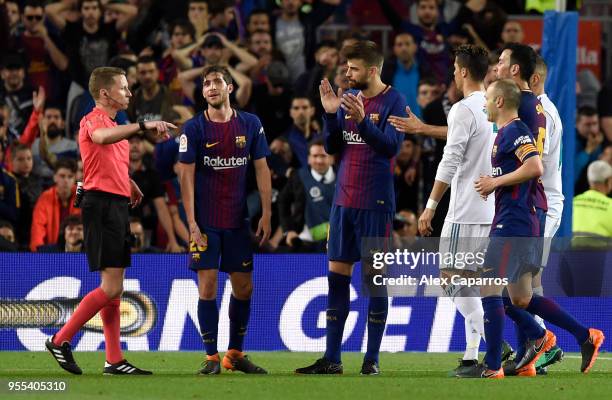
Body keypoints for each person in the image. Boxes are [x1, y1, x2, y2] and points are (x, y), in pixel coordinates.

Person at [460, 79, 604, 378]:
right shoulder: (503, 133)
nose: (484, 103)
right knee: (520, 299)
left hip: (514, 223)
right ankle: (583, 336)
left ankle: (493, 365)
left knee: (488, 289)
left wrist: (494, 182)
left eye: (487, 98)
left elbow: (535, 166)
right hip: (520, 222)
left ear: (500, 101)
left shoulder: (515, 130)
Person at [45, 66, 175, 376]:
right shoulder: (93, 120)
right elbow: (101, 139)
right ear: (106, 93)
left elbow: (106, 157)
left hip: (114, 204)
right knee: (112, 287)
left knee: (114, 288)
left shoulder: (117, 125)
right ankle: (61, 339)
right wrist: (143, 125)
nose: (130, 93)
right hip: (101, 206)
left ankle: (114, 359)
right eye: (124, 88)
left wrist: (127, 180)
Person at [295, 40, 406, 375]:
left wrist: (363, 121)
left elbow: (390, 148)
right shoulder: (346, 100)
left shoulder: (394, 101)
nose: (347, 73)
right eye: (346, 67)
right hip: (343, 202)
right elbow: (332, 147)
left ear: (372, 70)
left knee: (374, 280)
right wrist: (331, 115)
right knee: (336, 278)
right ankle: (332, 358)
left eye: (353, 68)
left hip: (376, 203)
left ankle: (371, 359)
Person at [177, 64, 272, 375]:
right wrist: (191, 223)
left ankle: (234, 354)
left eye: (217, 81)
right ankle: (211, 357)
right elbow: (186, 177)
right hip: (205, 222)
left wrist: (267, 212)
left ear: (230, 88)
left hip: (237, 221)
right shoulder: (193, 129)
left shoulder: (250, 124)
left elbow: (261, 168)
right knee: (207, 287)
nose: (211, 87)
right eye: (206, 84)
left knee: (244, 288)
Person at [410, 45, 499, 374]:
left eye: (454, 69)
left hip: (464, 210)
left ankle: (495, 341)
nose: (452, 74)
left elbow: (450, 160)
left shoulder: (462, 109)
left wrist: (430, 205)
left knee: (448, 277)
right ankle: (470, 355)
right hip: (491, 207)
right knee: (472, 283)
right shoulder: (496, 105)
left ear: (463, 72)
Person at [528, 56, 565, 373]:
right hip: (535, 202)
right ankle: (541, 343)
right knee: (527, 278)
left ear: (533, 79)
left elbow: (535, 162)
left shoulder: (545, 114)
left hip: (545, 204)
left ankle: (542, 344)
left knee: (526, 278)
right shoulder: (534, 110)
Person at [278, 139, 335, 252]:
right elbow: (282, 201)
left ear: (332, 158)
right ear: (308, 159)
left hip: (341, 238)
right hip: (306, 239)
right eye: (315, 156)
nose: (319, 160)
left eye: (323, 156)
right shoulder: (298, 177)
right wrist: (289, 230)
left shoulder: (344, 176)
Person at [30, 158, 80, 251]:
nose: (66, 180)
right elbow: (38, 228)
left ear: (75, 178)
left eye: (70, 176)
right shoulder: (45, 197)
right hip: (53, 249)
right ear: (55, 177)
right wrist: (37, 252)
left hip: (78, 248)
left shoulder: (80, 193)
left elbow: (84, 222)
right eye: (62, 176)